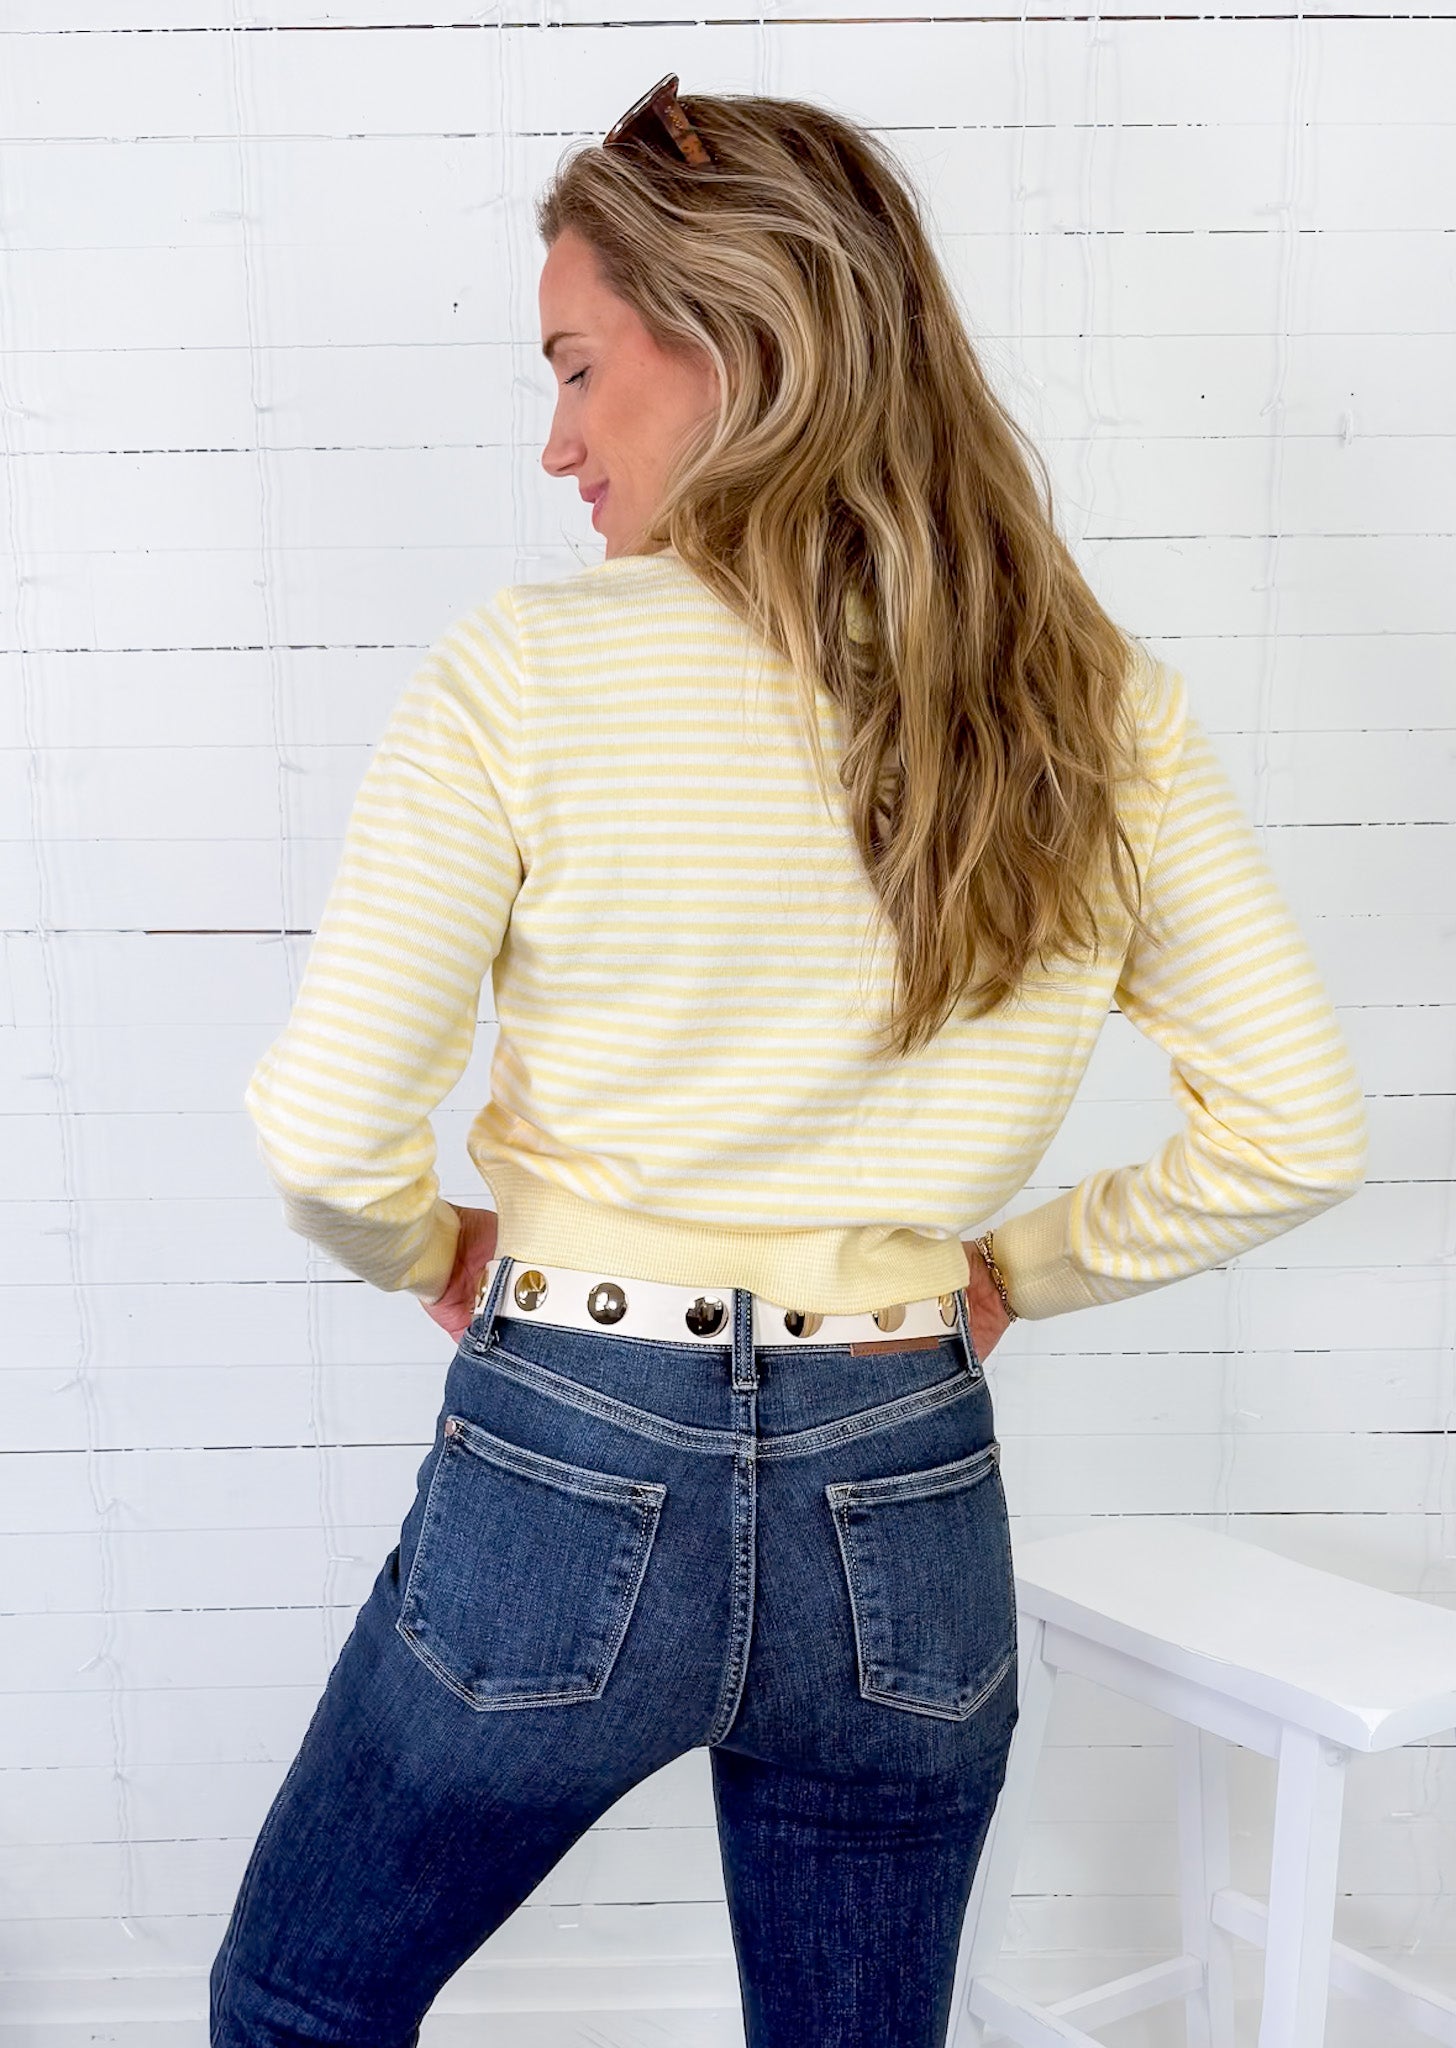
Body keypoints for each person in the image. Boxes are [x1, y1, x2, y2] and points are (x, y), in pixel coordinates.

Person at [210, 76, 1368, 2048]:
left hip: (568, 1446)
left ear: (731, 331)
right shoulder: (1087, 702)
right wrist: (1015, 1269)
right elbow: (1296, 1129)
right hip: (901, 1480)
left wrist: (426, 1247)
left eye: (576, 366)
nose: (555, 439)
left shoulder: (531, 670)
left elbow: (328, 1132)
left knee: (302, 1998)